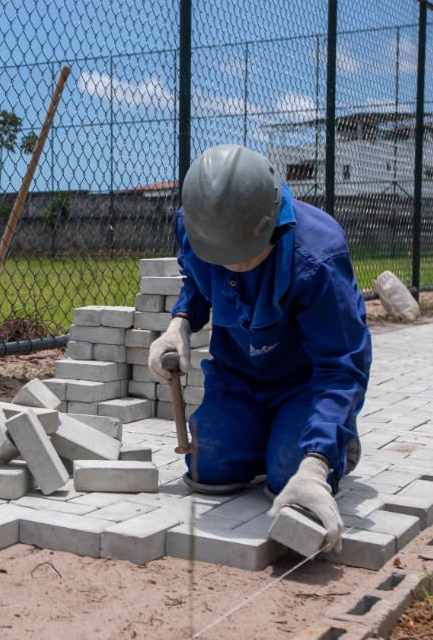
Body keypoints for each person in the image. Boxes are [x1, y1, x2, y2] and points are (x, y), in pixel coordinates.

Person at [148, 144, 371, 553]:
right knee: (207, 468)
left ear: (270, 225)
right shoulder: (201, 224)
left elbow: (342, 367)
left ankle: (333, 441)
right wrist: (180, 323)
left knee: (290, 476)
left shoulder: (317, 258)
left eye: (242, 254)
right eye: (221, 255)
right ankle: (269, 436)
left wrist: (315, 464)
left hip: (304, 384)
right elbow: (197, 280)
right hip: (239, 378)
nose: (231, 266)